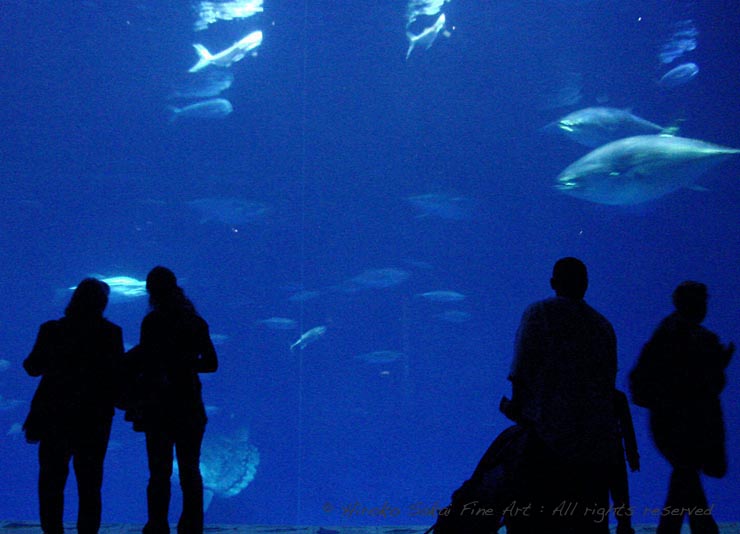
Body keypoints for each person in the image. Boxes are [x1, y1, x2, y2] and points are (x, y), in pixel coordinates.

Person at [505, 257, 618, 533]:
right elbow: (608, 385)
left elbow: (521, 368)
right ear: (586, 285)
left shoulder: (538, 313)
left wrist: (517, 408)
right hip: (593, 447)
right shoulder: (602, 325)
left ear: (553, 283)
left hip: (545, 441)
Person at [630, 281, 733, 534]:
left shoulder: (664, 335)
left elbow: (643, 385)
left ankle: (689, 527)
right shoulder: (698, 339)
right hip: (686, 426)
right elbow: (707, 386)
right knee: (686, 477)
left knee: (685, 478)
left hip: (668, 424)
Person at [23, 278, 124, 534]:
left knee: (51, 482)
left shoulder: (51, 329)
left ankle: (52, 532)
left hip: (54, 414)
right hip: (95, 417)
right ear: (103, 303)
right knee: (90, 483)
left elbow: (32, 367)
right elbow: (117, 376)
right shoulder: (111, 332)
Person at [123, 266, 218, 534]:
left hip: (158, 406)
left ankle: (157, 525)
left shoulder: (152, 322)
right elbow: (211, 364)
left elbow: (145, 359)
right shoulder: (196, 322)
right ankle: (192, 527)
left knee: (159, 472)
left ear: (151, 291)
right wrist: (186, 364)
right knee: (190, 471)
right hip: (189, 404)